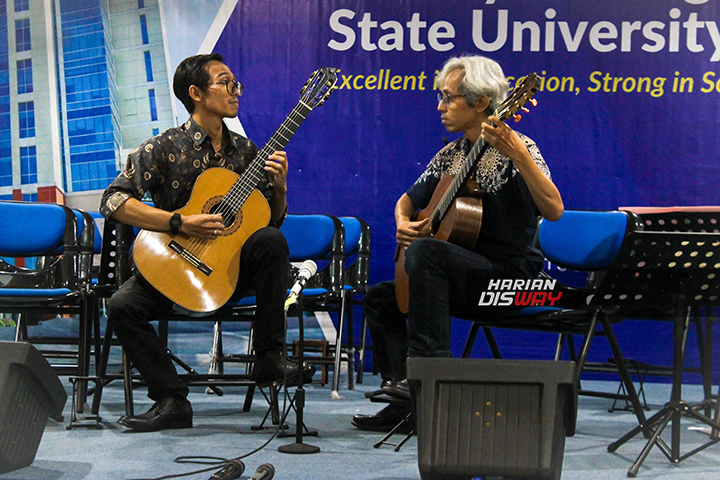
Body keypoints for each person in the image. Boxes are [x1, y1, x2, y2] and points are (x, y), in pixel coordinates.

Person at [100, 53, 313, 432]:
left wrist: (280, 190)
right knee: (121, 306)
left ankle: (269, 357)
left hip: (227, 273)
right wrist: (179, 221)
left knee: (271, 240)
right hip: (173, 264)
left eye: (236, 84)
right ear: (196, 93)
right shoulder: (163, 147)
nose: (235, 91)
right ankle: (171, 400)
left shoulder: (249, 153)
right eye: (225, 82)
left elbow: (271, 221)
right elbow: (112, 200)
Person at [352, 55, 563, 432]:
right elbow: (407, 200)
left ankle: (430, 390)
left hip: (510, 281)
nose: (440, 107)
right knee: (382, 298)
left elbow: (555, 209)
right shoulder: (451, 155)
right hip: (460, 274)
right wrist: (403, 222)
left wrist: (518, 155)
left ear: (481, 102)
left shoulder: (520, 147)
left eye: (449, 98)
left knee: (426, 252)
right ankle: (405, 401)